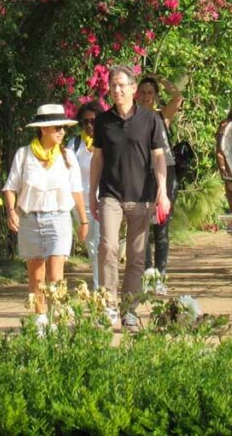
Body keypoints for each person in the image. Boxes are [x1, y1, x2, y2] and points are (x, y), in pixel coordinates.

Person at [89, 65, 171, 330]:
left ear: (133, 88)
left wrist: (163, 191)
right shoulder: (103, 121)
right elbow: (97, 158)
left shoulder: (150, 120)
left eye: (122, 85)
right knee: (108, 248)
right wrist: (92, 193)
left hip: (142, 196)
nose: (117, 90)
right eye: (113, 85)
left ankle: (130, 310)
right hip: (111, 194)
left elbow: (159, 156)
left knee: (136, 256)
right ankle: (109, 307)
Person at [3, 104, 89, 332]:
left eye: (63, 127)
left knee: (55, 271)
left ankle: (57, 317)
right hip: (30, 219)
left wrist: (83, 220)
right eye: (56, 127)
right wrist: (11, 211)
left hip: (59, 218)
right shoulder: (24, 155)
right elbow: (10, 187)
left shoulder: (67, 156)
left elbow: (76, 190)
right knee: (35, 271)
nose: (61, 132)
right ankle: (40, 317)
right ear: (43, 129)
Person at [137, 74, 183, 295]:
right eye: (143, 92)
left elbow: (178, 97)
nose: (146, 97)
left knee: (162, 229)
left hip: (166, 175)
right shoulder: (132, 118)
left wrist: (161, 79)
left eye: (150, 93)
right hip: (141, 175)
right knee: (143, 227)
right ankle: (148, 276)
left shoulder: (161, 116)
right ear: (137, 95)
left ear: (155, 96)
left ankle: (160, 277)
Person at [67, 101, 103, 289]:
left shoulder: (107, 141)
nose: (89, 126)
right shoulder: (74, 145)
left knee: (102, 246)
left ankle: (101, 289)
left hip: (104, 199)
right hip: (82, 203)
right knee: (92, 248)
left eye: (93, 121)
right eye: (85, 122)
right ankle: (100, 288)